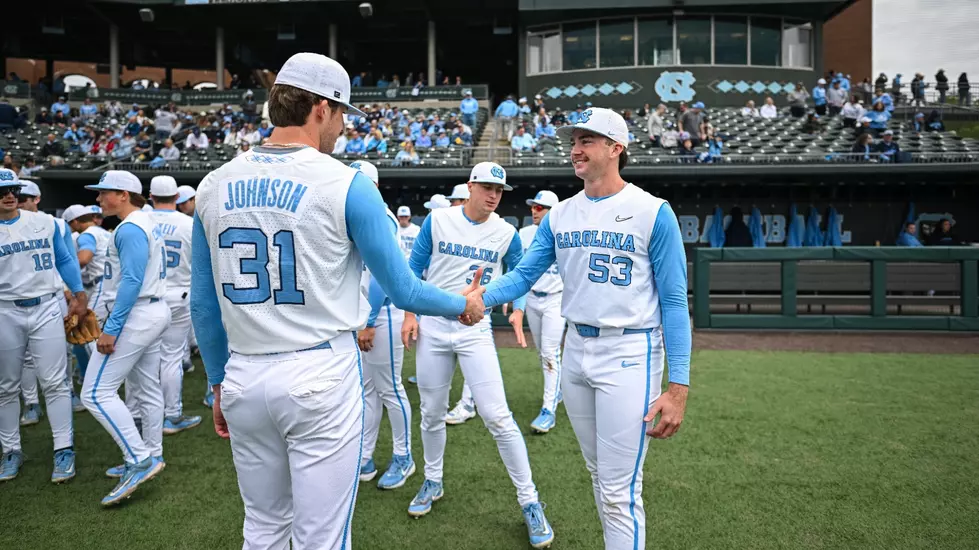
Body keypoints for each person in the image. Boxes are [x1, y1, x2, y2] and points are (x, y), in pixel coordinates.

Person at [189, 52, 486, 550]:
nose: (344, 127)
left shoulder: (212, 184)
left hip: (243, 373)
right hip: (318, 371)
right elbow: (403, 290)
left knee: (262, 529)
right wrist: (464, 305)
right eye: (344, 113)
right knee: (321, 538)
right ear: (321, 108)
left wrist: (218, 381)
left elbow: (204, 303)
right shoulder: (346, 182)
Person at [474, 107, 691, 550]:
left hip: (629, 351)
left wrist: (679, 385)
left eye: (587, 140)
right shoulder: (560, 214)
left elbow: (673, 301)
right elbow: (522, 276)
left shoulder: (653, 212)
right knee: (600, 475)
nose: (575, 149)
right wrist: (482, 298)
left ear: (616, 148)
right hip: (576, 349)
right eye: (573, 141)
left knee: (618, 490)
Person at [400, 161, 555, 547]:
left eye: (500, 190)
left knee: (498, 416)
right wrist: (409, 315)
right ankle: (432, 480)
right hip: (435, 327)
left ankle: (530, 500)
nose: (493, 195)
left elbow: (521, 274)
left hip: (475, 330)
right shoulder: (437, 221)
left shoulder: (506, 233)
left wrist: (517, 307)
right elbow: (413, 269)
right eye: (486, 186)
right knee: (431, 413)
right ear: (469, 186)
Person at [81, 170, 170, 506]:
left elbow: (131, 282)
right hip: (153, 309)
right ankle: (152, 454)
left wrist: (112, 328)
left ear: (123, 194)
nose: (99, 199)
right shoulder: (144, 221)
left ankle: (139, 459)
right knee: (147, 388)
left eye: (105, 193)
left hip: (138, 313)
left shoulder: (131, 226)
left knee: (94, 392)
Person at [0, 169, 88, 484]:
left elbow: (65, 259)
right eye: (3, 191)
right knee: (6, 387)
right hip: (5, 309)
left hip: (48, 305)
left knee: (55, 382)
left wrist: (78, 294)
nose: (10, 196)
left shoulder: (48, 223)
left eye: (13, 190)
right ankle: (11, 450)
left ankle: (64, 449)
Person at [350, 161, 416, 491]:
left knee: (390, 390)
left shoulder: (381, 216)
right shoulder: (369, 213)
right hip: (367, 317)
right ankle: (365, 455)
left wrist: (370, 322)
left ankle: (404, 457)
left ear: (373, 186)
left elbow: (379, 276)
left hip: (382, 315)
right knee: (368, 392)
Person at [147, 176, 201, 436]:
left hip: (147, 296)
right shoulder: (189, 224)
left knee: (146, 359)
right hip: (180, 294)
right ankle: (171, 415)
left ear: (150, 196)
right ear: (176, 198)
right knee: (171, 358)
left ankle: (145, 416)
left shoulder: (140, 221)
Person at [519, 190, 565, 433]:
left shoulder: (565, 235)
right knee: (543, 353)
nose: (534, 211)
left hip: (556, 300)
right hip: (532, 299)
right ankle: (556, 391)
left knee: (549, 353)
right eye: (533, 206)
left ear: (552, 212)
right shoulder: (524, 234)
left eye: (540, 207)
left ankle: (549, 410)